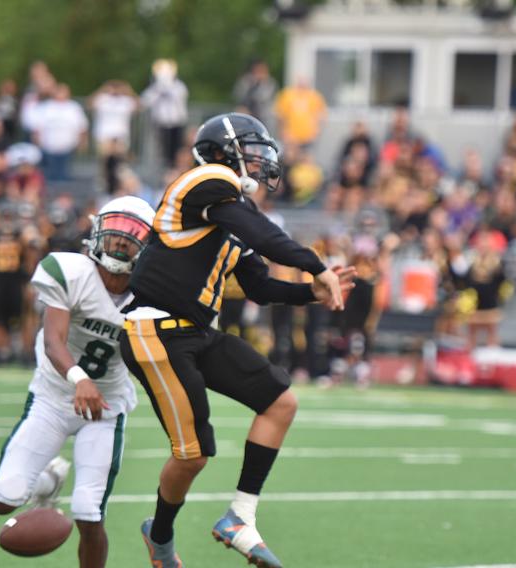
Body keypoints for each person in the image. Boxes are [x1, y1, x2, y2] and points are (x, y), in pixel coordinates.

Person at [119, 112, 353, 568]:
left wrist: (313, 292)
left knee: (281, 401)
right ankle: (161, 538)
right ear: (226, 150)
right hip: (155, 330)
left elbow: (260, 286)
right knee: (193, 455)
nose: (261, 158)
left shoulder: (232, 216)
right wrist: (315, 264)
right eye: (251, 147)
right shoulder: (206, 182)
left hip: (197, 333)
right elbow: (263, 236)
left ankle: (240, 515)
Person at [0, 195, 156, 568]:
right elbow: (53, 341)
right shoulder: (70, 271)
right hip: (53, 396)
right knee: (3, 500)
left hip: (105, 408)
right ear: (97, 234)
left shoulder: (152, 294)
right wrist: (79, 378)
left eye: (130, 238)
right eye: (114, 236)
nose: (119, 244)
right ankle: (47, 484)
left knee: (88, 511)